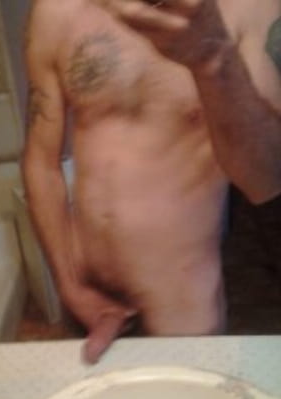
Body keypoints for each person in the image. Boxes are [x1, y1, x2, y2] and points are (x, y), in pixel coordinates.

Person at [22, 0, 281, 363]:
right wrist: (69, 286)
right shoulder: (58, 10)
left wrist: (214, 57)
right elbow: (42, 163)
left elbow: (268, 178)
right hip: (87, 303)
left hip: (181, 314)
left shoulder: (248, 9)